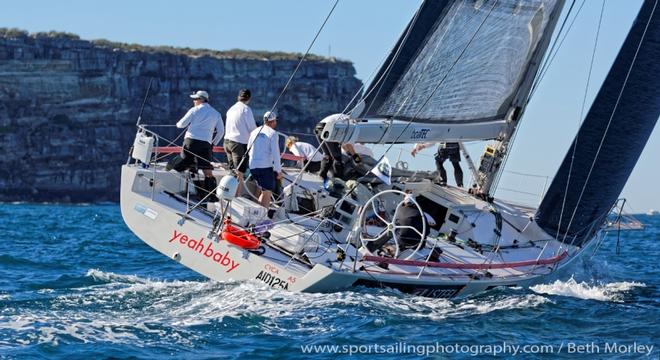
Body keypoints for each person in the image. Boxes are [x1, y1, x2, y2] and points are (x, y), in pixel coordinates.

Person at [172, 90, 224, 201]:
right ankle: (211, 196)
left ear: (201, 99)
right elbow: (221, 132)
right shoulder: (216, 113)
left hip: (190, 142)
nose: (193, 101)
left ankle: (196, 192)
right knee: (207, 171)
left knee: (185, 164)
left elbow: (181, 125)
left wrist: (178, 124)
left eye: (195, 99)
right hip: (206, 144)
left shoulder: (194, 110)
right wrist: (213, 144)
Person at [224, 89, 257, 196]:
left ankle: (227, 194)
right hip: (239, 144)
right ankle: (236, 197)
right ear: (249, 99)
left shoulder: (231, 109)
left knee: (232, 170)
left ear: (238, 97)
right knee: (239, 173)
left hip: (227, 142)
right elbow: (252, 128)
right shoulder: (246, 109)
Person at [247, 111, 282, 209]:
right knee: (267, 193)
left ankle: (257, 213)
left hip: (253, 166)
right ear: (273, 121)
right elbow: (276, 154)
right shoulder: (273, 133)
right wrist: (278, 171)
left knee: (263, 191)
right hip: (265, 167)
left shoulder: (254, 132)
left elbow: (248, 148)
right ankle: (262, 219)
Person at [314, 113, 362, 184]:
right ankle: (338, 179)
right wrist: (357, 159)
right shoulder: (354, 127)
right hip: (329, 129)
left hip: (318, 128)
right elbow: (349, 145)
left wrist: (348, 152)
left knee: (327, 155)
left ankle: (322, 175)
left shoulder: (345, 118)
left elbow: (343, 144)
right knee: (337, 157)